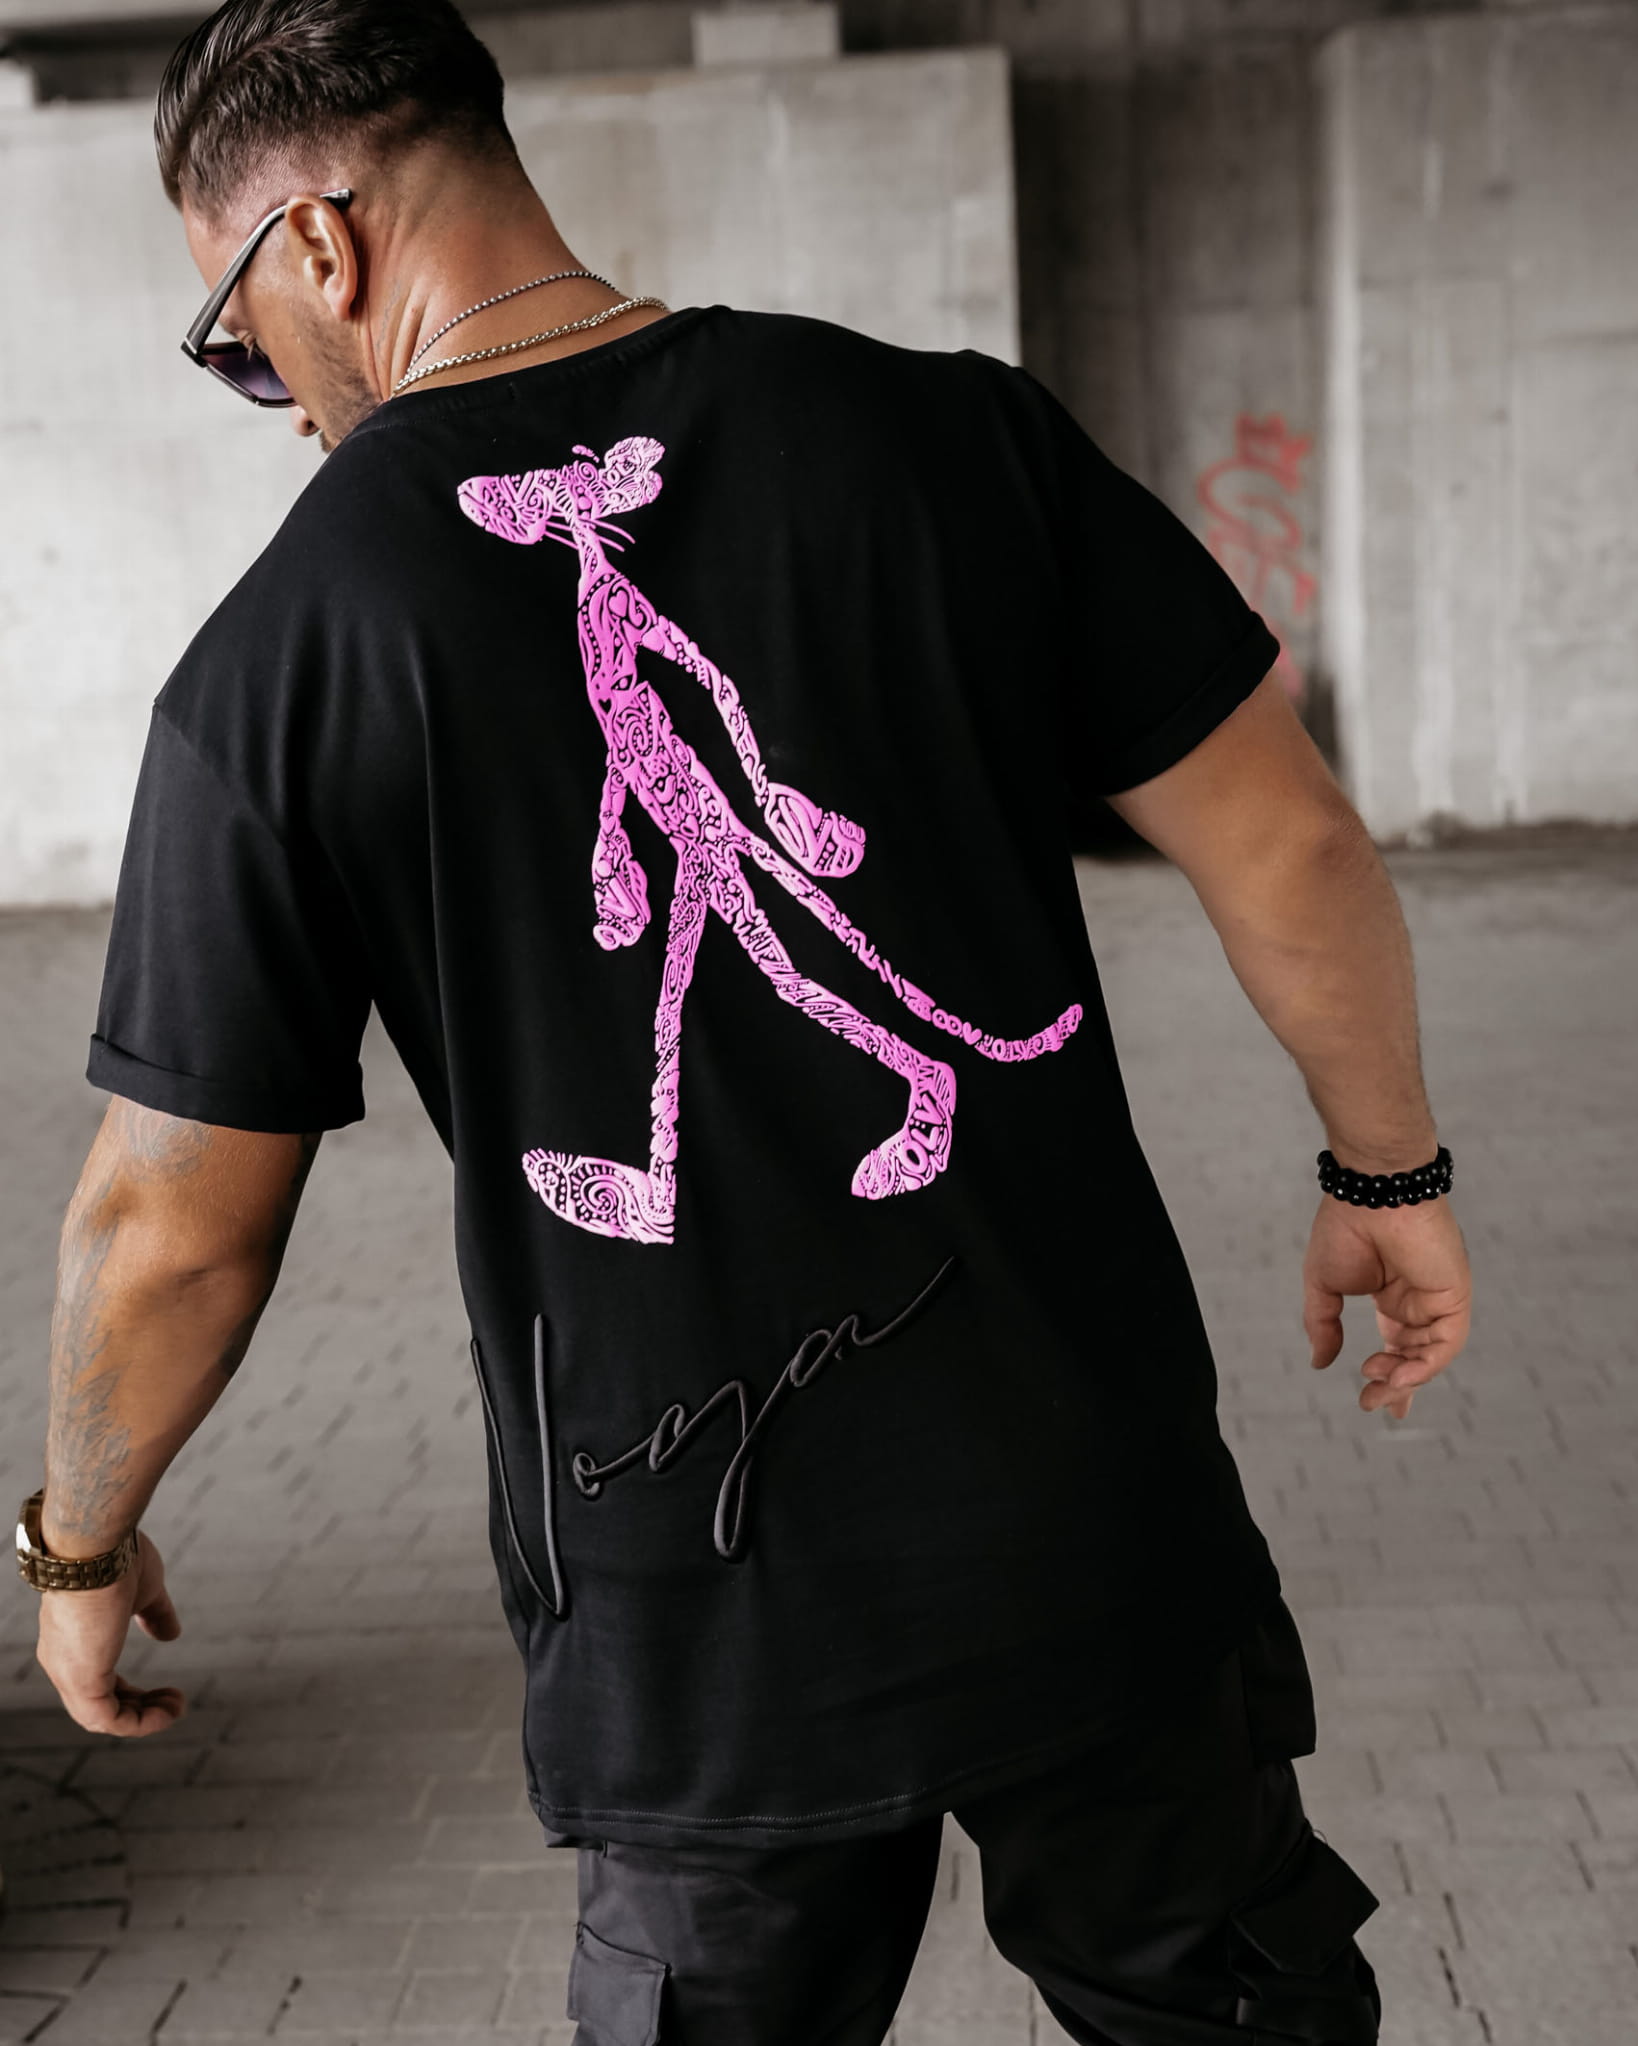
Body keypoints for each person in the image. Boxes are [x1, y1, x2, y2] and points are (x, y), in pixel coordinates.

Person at [21, 3, 1472, 2041]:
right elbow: (1293, 841)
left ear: (322, 245)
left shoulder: (282, 655)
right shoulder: (952, 433)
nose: (271, 402)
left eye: (242, 343)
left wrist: (74, 1543)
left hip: (693, 1597)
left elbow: (171, 1225)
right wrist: (1384, 1171)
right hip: (1089, 1519)